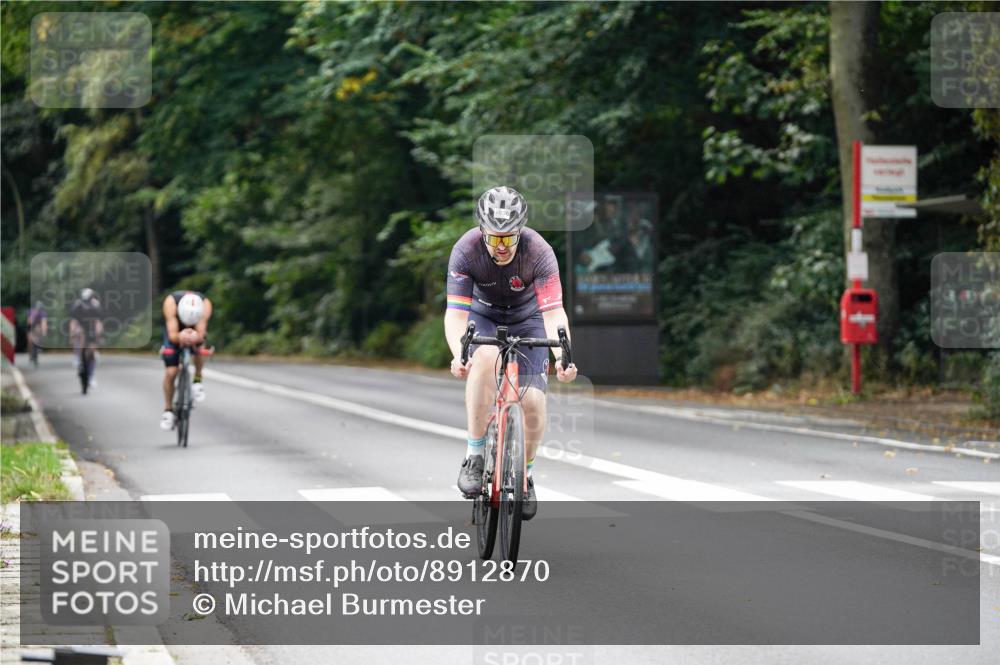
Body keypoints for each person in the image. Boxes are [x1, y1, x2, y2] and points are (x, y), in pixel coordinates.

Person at [444, 185, 578, 520]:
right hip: (483, 317)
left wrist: (563, 356)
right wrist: (459, 354)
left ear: (521, 232)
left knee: (532, 401)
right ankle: (475, 454)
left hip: (528, 319)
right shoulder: (465, 250)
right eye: (494, 238)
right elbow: (456, 315)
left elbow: (553, 313)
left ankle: (526, 475)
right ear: (481, 231)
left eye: (509, 238)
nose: (501, 246)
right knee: (484, 359)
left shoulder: (540, 252)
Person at [160, 291, 213, 430]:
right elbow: (172, 335)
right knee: (171, 372)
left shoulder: (205, 305)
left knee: (199, 349)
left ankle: (197, 379)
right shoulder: (171, 303)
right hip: (175, 329)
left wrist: (196, 338)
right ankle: (168, 410)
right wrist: (179, 337)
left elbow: (201, 334)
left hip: (197, 328)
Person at [68, 288, 103, 386]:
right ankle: (77, 356)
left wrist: (98, 336)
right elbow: (73, 322)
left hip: (91, 327)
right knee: (78, 334)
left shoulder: (96, 306)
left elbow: (98, 323)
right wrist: (72, 335)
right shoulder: (77, 306)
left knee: (92, 352)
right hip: (81, 326)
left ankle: (91, 376)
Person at [27, 301, 48, 366]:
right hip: (31, 327)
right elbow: (29, 322)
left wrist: (44, 332)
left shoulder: (43, 313)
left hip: (38, 327)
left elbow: (44, 323)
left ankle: (35, 356)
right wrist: (33, 316)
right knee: (30, 341)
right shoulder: (31, 311)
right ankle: (30, 355)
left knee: (37, 339)